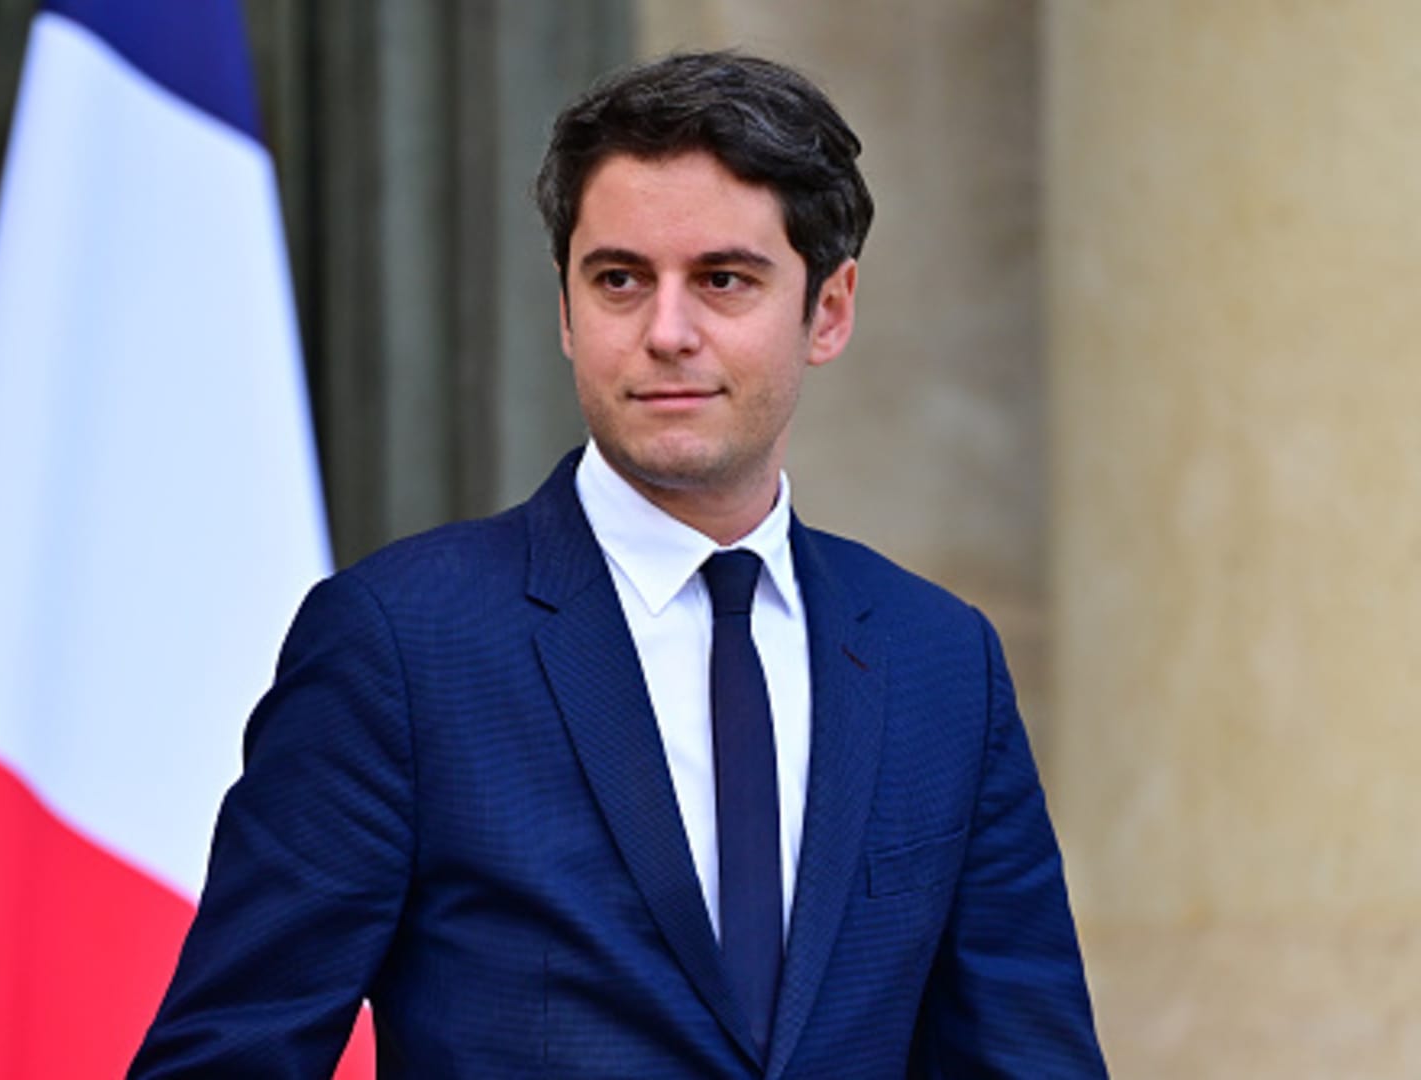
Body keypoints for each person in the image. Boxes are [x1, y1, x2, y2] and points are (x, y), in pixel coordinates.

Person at [131, 51, 1105, 1078]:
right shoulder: (400, 647)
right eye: (620, 281)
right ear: (565, 311)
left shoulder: (941, 663)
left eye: (723, 280)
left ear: (828, 311)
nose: (666, 333)